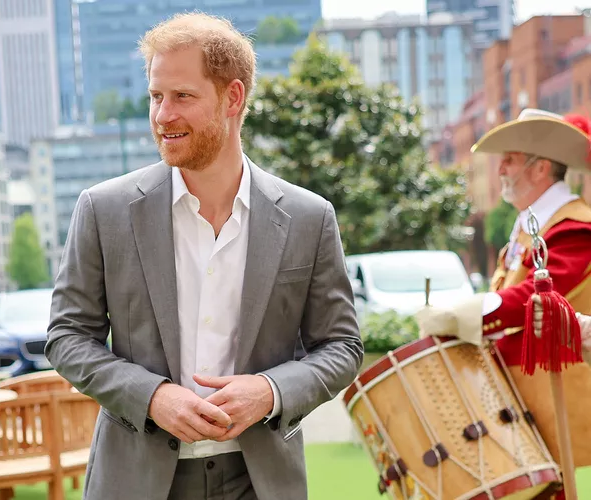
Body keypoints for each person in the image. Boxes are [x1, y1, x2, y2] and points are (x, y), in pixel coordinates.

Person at [44, 12, 363, 500]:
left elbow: (341, 346)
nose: (162, 115)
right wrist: (152, 397)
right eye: (156, 96)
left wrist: (270, 392)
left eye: (182, 97)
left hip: (260, 481)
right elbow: (68, 336)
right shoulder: (103, 210)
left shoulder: (309, 217)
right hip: (138, 481)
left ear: (232, 98)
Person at [417, 109, 591, 494]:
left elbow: (538, 295)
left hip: (553, 390)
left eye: (509, 160)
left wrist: (465, 314)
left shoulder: (575, 225)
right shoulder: (537, 224)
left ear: (541, 167)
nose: (500, 171)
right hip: (521, 389)